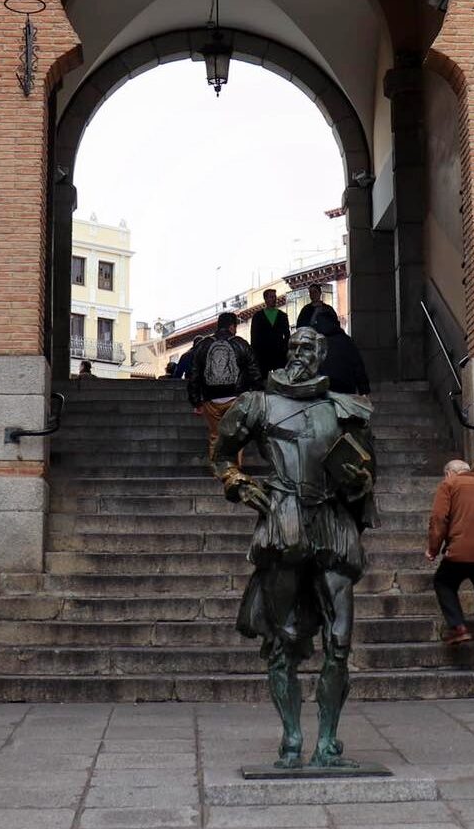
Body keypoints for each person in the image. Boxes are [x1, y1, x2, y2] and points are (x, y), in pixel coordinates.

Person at [210, 326, 376, 768]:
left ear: (322, 356)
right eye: (295, 345)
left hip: (332, 523)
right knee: (284, 639)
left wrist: (361, 484)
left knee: (339, 640)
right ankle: (291, 737)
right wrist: (237, 482)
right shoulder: (257, 405)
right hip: (284, 520)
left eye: (310, 347)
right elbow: (223, 453)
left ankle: (328, 741)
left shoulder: (344, 409)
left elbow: (364, 476)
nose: (300, 352)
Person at [426, 459, 474, 676]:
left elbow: (438, 519)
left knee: (443, 582)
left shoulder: (449, 485)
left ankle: (458, 626)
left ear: (450, 472)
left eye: (445, 474)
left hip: (462, 550)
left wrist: (433, 549)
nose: (445, 478)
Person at [185, 311, 259, 449]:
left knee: (215, 435)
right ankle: (234, 469)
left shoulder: (203, 345)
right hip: (236, 398)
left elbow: (194, 375)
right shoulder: (240, 343)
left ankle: (217, 469)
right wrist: (254, 395)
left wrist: (196, 401)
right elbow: (254, 372)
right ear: (232, 327)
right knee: (235, 436)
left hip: (210, 400)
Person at [313, 308, 369, 397]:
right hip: (346, 387)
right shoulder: (346, 341)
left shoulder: (315, 343)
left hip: (323, 387)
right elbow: (358, 365)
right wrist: (364, 390)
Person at [249, 288, 291, 374]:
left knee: (280, 378)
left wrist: (286, 350)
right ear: (265, 299)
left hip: (279, 354)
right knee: (264, 380)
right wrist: (255, 354)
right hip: (263, 354)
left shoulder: (282, 316)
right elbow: (254, 336)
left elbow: (287, 335)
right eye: (271, 297)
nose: (274, 299)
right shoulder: (257, 316)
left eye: (275, 297)